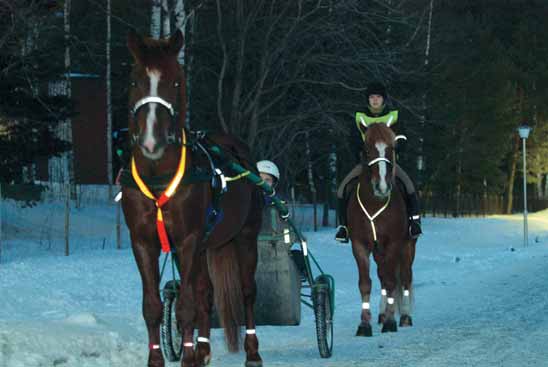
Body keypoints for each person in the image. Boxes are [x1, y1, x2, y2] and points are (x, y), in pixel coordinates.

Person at [335, 81, 422, 243]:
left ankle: (414, 223)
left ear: (384, 99)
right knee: (342, 188)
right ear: (367, 100)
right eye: (372, 97)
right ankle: (344, 227)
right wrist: (361, 151)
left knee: (409, 186)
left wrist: (398, 146)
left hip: (388, 161)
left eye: (378, 97)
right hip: (366, 162)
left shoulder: (393, 116)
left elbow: (402, 136)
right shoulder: (359, 116)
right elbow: (353, 139)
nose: (375, 100)